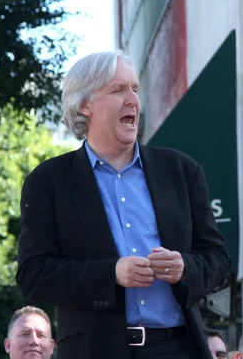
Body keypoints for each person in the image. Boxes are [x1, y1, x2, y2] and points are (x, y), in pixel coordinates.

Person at [16, 51, 231, 358]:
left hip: (178, 348)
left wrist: (185, 267)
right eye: (118, 90)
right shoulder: (48, 182)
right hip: (94, 350)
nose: (133, 100)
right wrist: (111, 274)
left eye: (135, 89)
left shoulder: (182, 171)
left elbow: (218, 259)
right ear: (84, 105)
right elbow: (34, 274)